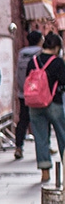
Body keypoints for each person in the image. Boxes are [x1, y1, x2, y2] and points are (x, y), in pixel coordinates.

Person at [27, 32, 65, 183]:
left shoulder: (33, 61)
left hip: (35, 105)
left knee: (41, 137)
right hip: (53, 103)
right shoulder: (58, 62)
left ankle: (44, 171)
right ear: (56, 47)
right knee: (62, 136)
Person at [12, 31, 44, 160]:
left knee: (23, 120)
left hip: (23, 92)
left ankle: (18, 147)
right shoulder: (40, 53)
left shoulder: (21, 53)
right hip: (38, 94)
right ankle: (42, 147)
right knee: (40, 120)